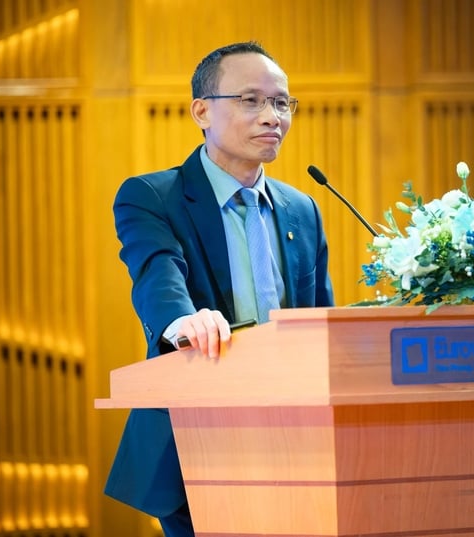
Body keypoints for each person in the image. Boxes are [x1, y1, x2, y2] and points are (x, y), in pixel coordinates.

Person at [104, 41, 335, 537]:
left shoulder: (303, 210)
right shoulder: (153, 197)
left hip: (299, 445)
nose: (272, 116)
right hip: (199, 443)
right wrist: (181, 320)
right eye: (251, 100)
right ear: (202, 111)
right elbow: (156, 271)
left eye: (281, 102)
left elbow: (322, 326)